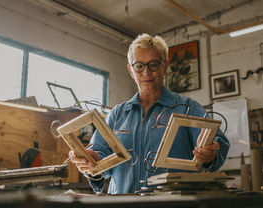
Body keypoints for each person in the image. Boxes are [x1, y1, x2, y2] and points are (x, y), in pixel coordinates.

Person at [70, 33, 229, 194]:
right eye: (139, 66)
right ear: (131, 71)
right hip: (122, 207)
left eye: (153, 64)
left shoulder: (187, 108)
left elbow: (216, 141)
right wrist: (92, 162)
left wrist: (211, 154)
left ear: (164, 66)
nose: (146, 73)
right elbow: (99, 157)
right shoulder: (117, 114)